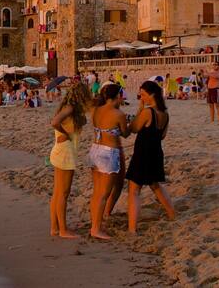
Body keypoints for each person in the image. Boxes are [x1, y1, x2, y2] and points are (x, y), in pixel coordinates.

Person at [125, 81, 177, 234]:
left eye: (143, 94)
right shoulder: (165, 114)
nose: (141, 97)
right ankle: (172, 214)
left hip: (143, 153)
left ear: (152, 94)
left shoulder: (148, 112)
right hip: (156, 152)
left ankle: (132, 229)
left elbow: (133, 128)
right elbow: (163, 135)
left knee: (134, 190)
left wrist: (140, 109)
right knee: (155, 185)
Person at [48, 85, 93, 239]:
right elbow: (54, 122)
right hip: (65, 152)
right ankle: (63, 230)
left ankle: (55, 228)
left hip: (62, 150)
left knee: (57, 192)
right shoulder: (69, 108)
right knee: (63, 193)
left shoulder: (72, 109)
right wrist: (65, 133)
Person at [88, 83, 129, 240]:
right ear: (117, 96)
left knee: (97, 192)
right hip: (109, 152)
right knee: (104, 194)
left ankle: (95, 223)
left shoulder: (96, 110)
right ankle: (96, 229)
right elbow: (125, 133)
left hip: (95, 150)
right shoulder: (118, 114)